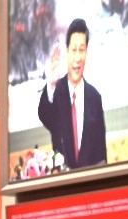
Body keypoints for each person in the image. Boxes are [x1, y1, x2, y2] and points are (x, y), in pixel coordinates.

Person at [37, 18, 107, 170]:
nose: (77, 58)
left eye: (81, 50)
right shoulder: (57, 91)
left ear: (86, 53)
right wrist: (51, 83)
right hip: (62, 182)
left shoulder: (95, 98)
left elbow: (102, 155)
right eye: (73, 50)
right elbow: (44, 115)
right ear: (67, 51)